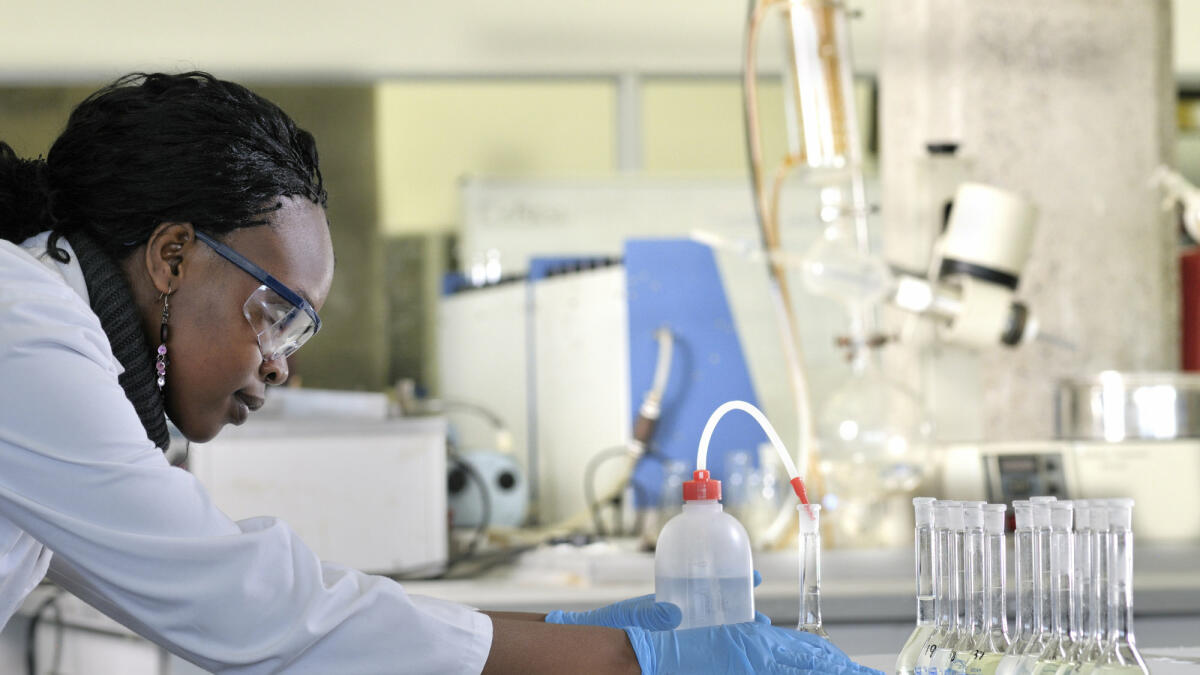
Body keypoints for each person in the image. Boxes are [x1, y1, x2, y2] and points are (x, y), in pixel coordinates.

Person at [0, 71, 880, 674]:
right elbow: (247, 606)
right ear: (172, 256)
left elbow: (239, 595)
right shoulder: (25, 323)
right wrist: (628, 660)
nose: (281, 366)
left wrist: (575, 636)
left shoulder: (50, 334)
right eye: (276, 311)